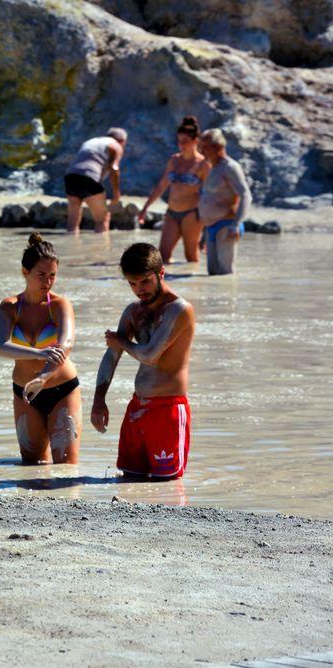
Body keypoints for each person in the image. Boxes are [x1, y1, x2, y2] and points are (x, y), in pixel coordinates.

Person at [91, 243, 195, 479]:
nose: (139, 290)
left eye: (145, 281)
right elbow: (111, 355)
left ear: (161, 274)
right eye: (132, 284)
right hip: (138, 407)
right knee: (129, 480)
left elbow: (150, 355)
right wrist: (98, 400)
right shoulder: (133, 312)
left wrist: (122, 342)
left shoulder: (180, 310)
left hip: (168, 409)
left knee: (166, 486)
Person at [0, 233, 81, 464]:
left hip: (62, 389)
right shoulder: (10, 306)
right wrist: (38, 353)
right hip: (25, 392)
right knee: (32, 465)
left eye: (53, 275)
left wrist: (43, 375)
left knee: (65, 467)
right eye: (41, 275)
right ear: (25, 272)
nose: (48, 282)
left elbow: (66, 344)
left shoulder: (60, 305)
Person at [138, 116, 210, 263]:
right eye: (179, 141)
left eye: (185, 141)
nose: (181, 145)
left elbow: (209, 194)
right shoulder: (174, 160)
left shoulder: (203, 164)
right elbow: (161, 185)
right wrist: (145, 208)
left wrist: (208, 225)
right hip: (171, 212)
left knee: (191, 257)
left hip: (192, 214)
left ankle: (195, 286)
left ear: (195, 141)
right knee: (162, 257)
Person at [198, 129, 252, 275]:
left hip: (226, 226)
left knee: (226, 273)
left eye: (205, 147)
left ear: (218, 147)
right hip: (210, 226)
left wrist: (236, 224)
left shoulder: (230, 167)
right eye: (200, 146)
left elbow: (246, 195)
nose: (201, 151)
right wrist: (204, 233)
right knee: (213, 274)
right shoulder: (212, 168)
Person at [65, 128, 127, 233]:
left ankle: (72, 242)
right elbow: (114, 168)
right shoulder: (116, 145)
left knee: (73, 221)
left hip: (71, 177)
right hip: (89, 178)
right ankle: (102, 248)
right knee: (102, 219)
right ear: (122, 140)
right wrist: (116, 193)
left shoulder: (91, 141)